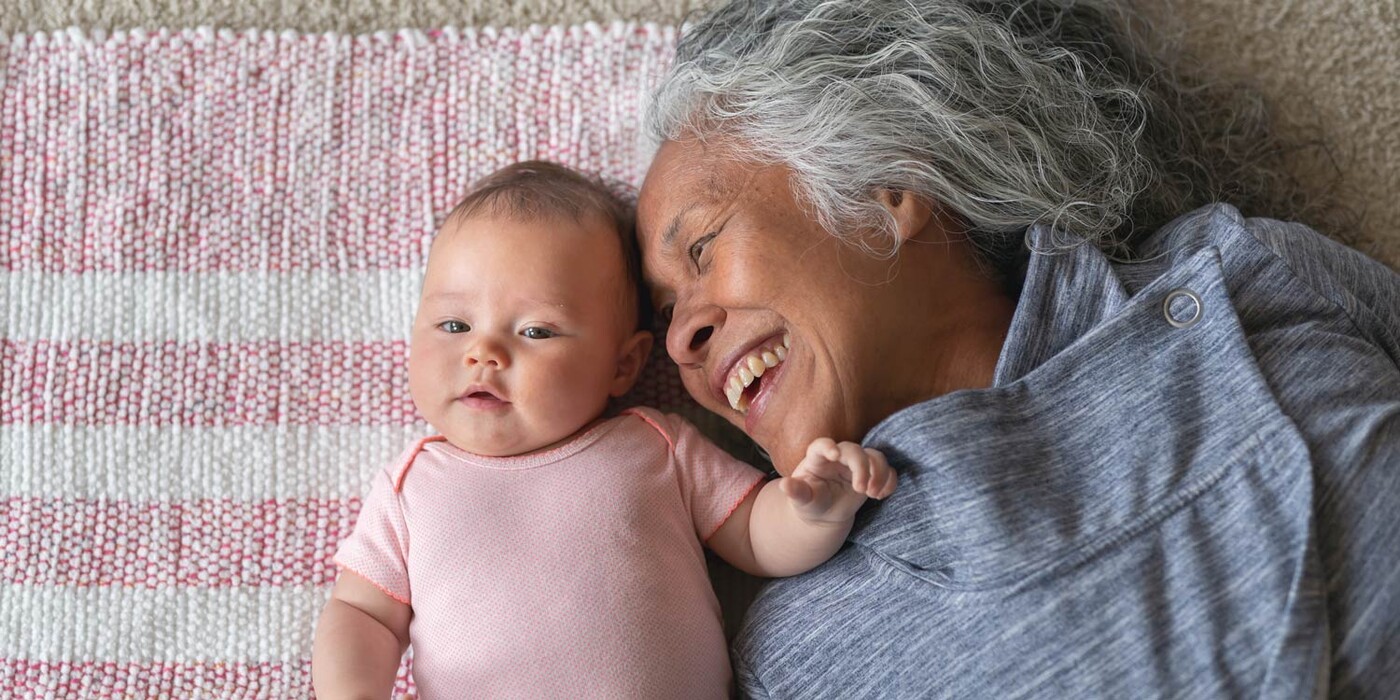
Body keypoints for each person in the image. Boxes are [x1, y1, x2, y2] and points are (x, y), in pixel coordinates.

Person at [635, 0, 1400, 696]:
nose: (679, 340)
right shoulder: (797, 657)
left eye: (701, 248)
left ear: (883, 191)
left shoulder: (1247, 272)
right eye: (665, 312)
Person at [309, 161, 896, 699]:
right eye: (454, 323)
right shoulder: (411, 489)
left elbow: (755, 536)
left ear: (624, 365)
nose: (483, 352)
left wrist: (813, 512)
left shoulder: (655, 447)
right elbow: (362, 613)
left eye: (537, 331)